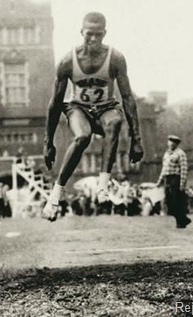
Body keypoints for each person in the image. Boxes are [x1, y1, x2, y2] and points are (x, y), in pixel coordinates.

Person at [42, 12, 144, 220]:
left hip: (106, 107)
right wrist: (48, 142)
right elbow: (55, 103)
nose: (94, 39)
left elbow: (128, 98)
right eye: (89, 34)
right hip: (78, 108)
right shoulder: (67, 61)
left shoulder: (115, 58)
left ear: (104, 33)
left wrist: (136, 139)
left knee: (114, 122)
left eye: (98, 35)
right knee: (82, 137)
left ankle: (102, 186)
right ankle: (55, 195)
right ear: (82, 32)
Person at [156, 135, 191, 228]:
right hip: (167, 179)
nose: (171, 143)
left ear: (176, 144)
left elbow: (184, 169)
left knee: (176, 201)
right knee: (168, 202)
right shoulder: (166, 154)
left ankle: (180, 222)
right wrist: (159, 181)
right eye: (169, 141)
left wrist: (182, 183)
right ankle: (184, 219)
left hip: (176, 178)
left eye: (173, 142)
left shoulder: (181, 154)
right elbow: (164, 169)